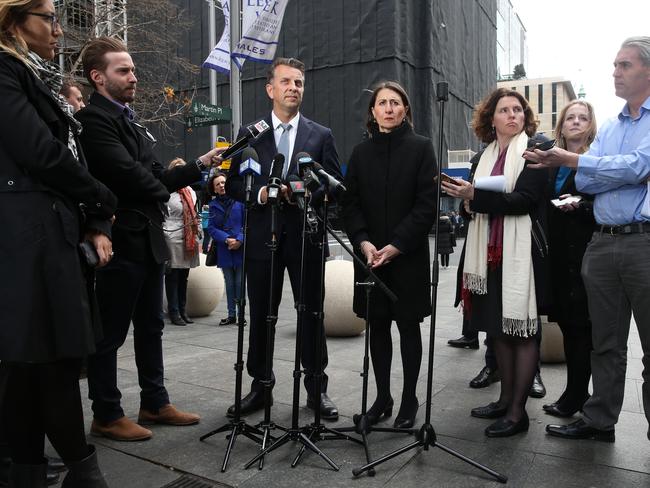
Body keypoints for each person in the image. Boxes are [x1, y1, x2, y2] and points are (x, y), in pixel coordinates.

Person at [76, 36, 224, 441]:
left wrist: (197, 165)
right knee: (111, 332)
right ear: (98, 77)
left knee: (151, 325)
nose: (134, 77)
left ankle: (155, 403)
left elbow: (155, 175)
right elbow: (132, 176)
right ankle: (106, 414)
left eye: (133, 70)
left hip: (149, 238)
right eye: (123, 71)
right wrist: (159, 187)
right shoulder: (94, 121)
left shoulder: (129, 120)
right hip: (119, 238)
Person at [0, 1, 118, 485]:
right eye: (48, 16)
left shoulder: (30, 73)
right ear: (13, 20)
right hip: (30, 243)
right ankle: (82, 472)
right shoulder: (6, 70)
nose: (58, 27)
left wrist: (93, 215)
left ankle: (33, 472)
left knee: (37, 364)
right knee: (48, 363)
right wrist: (98, 195)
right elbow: (37, 151)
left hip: (43, 237)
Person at [526, 36, 650, 443]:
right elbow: (591, 177)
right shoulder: (613, 126)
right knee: (605, 342)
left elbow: (636, 166)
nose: (615, 72)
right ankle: (599, 420)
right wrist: (598, 167)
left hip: (643, 243)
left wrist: (587, 163)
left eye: (624, 65)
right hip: (602, 243)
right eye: (615, 65)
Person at [226, 57, 342, 420]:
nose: (294, 88)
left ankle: (316, 390)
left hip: (306, 239)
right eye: (287, 82)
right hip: (263, 238)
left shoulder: (321, 135)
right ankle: (260, 387)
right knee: (260, 314)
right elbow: (231, 184)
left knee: (312, 313)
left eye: (299, 83)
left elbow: (335, 187)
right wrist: (262, 194)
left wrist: (308, 191)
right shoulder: (251, 133)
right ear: (270, 88)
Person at [442, 88, 549, 437]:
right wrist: (465, 200)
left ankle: (518, 413)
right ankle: (504, 400)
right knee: (497, 331)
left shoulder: (535, 152)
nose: (513, 115)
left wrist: (477, 196)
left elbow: (525, 201)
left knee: (522, 331)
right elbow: (471, 207)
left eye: (518, 109)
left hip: (521, 256)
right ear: (492, 118)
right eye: (504, 110)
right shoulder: (482, 157)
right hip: (489, 255)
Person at [341, 81, 437, 428]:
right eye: (382, 103)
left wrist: (396, 246)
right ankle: (382, 397)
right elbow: (349, 204)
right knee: (377, 328)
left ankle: (409, 398)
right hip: (370, 259)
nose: (389, 108)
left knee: (409, 329)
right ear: (373, 111)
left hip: (406, 256)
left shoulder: (421, 148)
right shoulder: (360, 153)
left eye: (396, 103)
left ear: (405, 110)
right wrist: (364, 242)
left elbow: (426, 205)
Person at [543, 100, 597, 418]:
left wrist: (580, 206)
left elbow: (606, 205)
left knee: (583, 328)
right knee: (567, 325)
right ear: (561, 126)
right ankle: (573, 392)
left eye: (583, 118)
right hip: (559, 255)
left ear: (591, 125)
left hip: (588, 253)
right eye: (570, 118)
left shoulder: (597, 159)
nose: (576, 122)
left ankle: (578, 395)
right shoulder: (553, 163)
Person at [163, 158, 201, 326]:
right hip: (171, 235)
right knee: (172, 275)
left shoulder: (190, 191)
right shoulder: (166, 192)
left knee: (184, 275)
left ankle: (183, 309)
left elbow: (195, 211)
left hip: (188, 235)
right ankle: (174, 311)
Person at [207, 172, 244, 326]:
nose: (221, 186)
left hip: (240, 248)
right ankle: (231, 315)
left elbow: (248, 223)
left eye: (223, 182)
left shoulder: (240, 201)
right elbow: (211, 228)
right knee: (229, 283)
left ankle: (241, 315)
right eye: (218, 184)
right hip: (225, 249)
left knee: (240, 283)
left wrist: (240, 240)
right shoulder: (212, 206)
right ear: (214, 189)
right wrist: (226, 239)